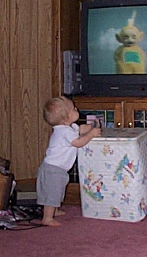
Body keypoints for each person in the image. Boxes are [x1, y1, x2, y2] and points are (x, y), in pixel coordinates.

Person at [36, 96, 101, 226]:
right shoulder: (65, 132)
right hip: (53, 169)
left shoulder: (68, 128)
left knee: (57, 190)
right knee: (52, 193)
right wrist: (91, 134)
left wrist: (90, 127)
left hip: (57, 169)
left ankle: (54, 211)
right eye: (73, 109)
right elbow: (78, 142)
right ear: (66, 117)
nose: (76, 109)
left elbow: (81, 129)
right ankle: (47, 217)